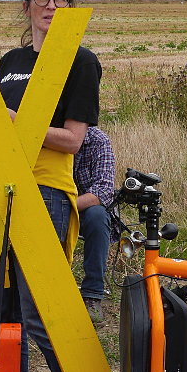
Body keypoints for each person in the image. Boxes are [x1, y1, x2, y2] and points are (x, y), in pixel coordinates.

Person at [0, 0, 102, 372]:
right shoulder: (11, 62)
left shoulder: (80, 61)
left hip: (44, 193)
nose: (49, 8)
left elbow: (73, 140)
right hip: (0, 190)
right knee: (3, 310)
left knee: (41, 308)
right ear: (26, 6)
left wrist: (19, 124)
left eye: (59, 0)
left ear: (70, 8)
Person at [73, 125, 116, 323]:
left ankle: (92, 294)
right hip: (51, 203)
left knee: (98, 217)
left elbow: (103, 191)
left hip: (85, 209)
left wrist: (66, 207)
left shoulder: (99, 141)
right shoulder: (48, 136)